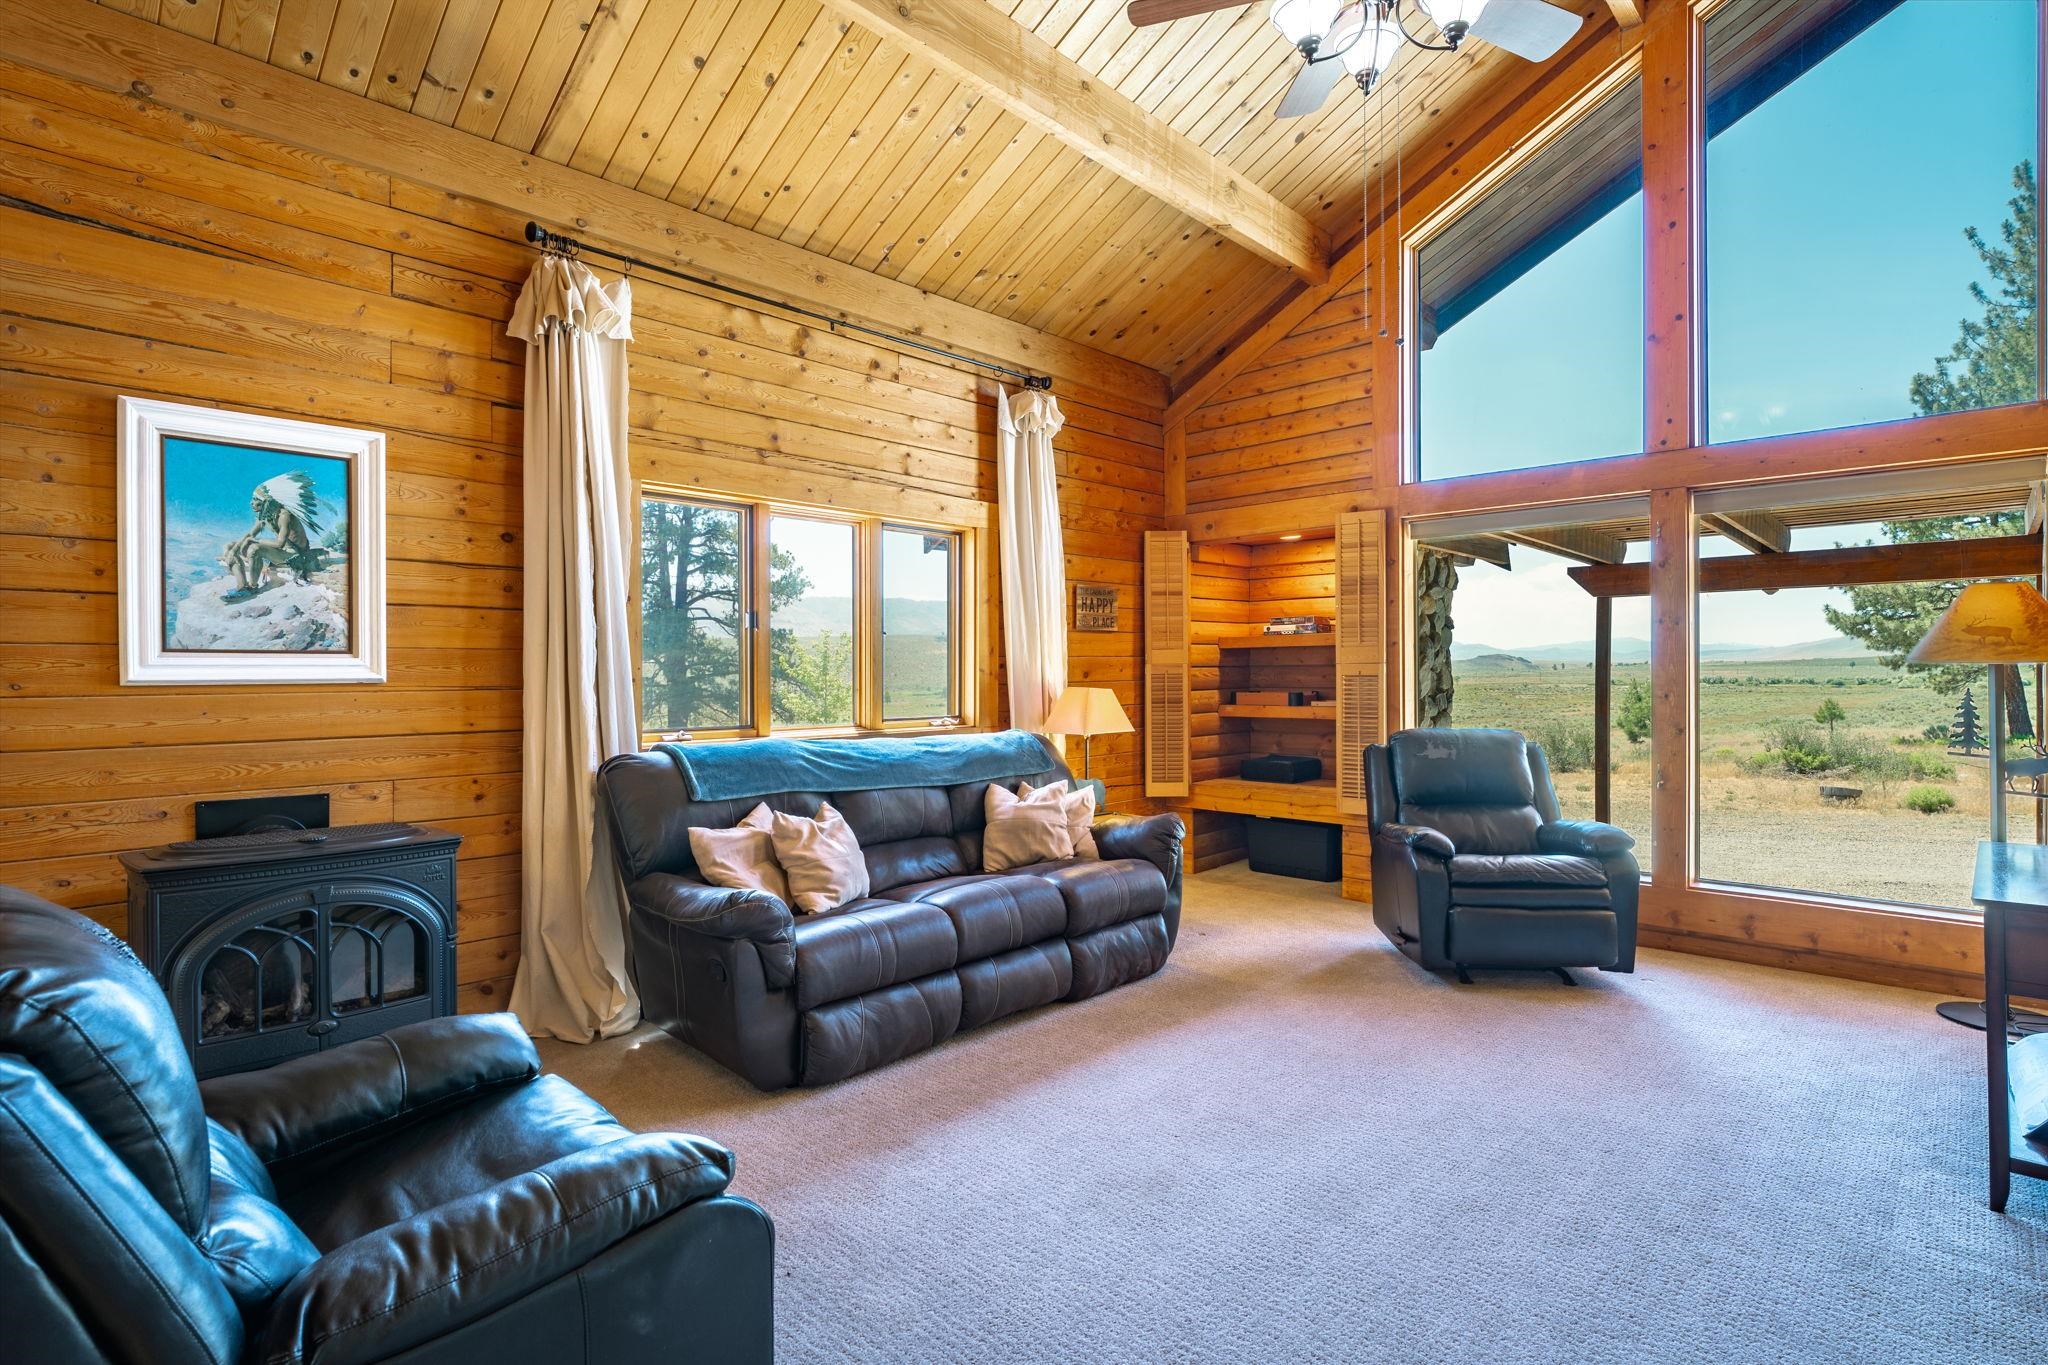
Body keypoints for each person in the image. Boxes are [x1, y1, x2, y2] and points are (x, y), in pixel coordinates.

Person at [222, 472, 325, 602]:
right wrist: (233, 550)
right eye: (253, 500)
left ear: (268, 502)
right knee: (229, 546)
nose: (251, 503)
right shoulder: (265, 516)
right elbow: (250, 534)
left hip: (294, 555)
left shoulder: (284, 515)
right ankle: (241, 586)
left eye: (256, 501)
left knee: (255, 548)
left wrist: (256, 540)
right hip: (281, 552)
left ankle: (252, 587)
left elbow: (280, 543)